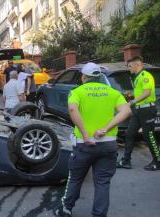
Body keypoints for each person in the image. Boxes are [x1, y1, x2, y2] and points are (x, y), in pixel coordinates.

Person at [54, 62, 131, 217]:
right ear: (99, 77)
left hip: (84, 145)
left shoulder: (77, 92)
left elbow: (72, 109)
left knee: (75, 178)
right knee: (102, 182)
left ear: (84, 77)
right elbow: (126, 111)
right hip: (108, 144)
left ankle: (66, 209)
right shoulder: (112, 92)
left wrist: (86, 135)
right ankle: (99, 214)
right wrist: (106, 128)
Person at [117, 56, 160, 171]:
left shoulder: (145, 76)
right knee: (129, 133)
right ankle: (126, 161)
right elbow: (141, 93)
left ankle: (158, 161)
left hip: (147, 110)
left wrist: (133, 101)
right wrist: (131, 96)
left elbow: (147, 92)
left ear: (138, 65)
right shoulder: (137, 77)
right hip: (138, 110)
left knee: (148, 136)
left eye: (130, 66)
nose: (129, 68)